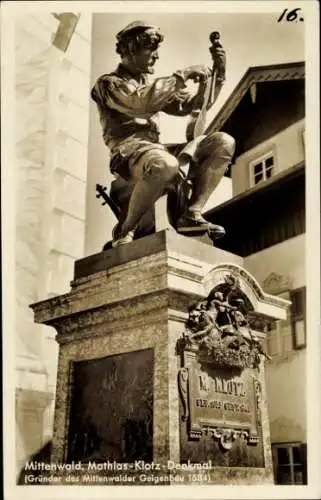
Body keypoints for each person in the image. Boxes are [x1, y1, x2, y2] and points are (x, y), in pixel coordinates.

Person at [91, 20, 236, 247]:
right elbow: (140, 103)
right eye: (151, 49)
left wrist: (218, 75)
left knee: (223, 142)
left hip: (155, 150)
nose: (156, 56)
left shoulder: (150, 86)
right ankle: (125, 229)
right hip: (129, 152)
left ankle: (192, 214)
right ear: (131, 49)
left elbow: (193, 105)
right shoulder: (108, 84)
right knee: (166, 164)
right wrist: (182, 75)